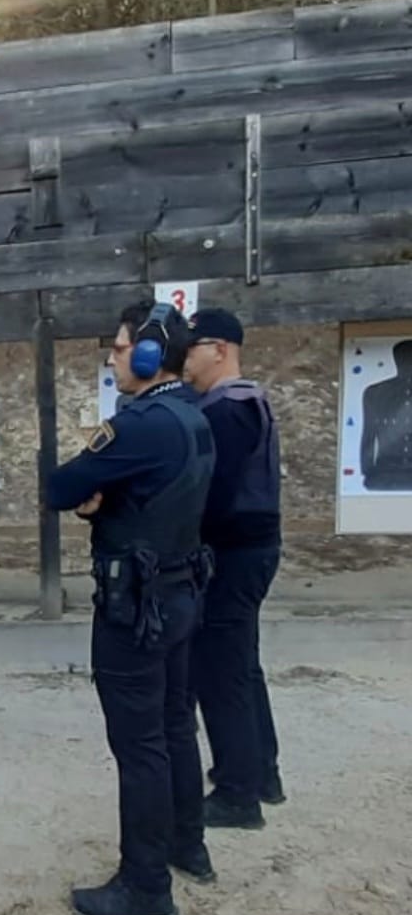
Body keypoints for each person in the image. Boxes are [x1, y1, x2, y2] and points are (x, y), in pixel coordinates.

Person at [45, 301, 216, 915]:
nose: (114, 357)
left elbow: (59, 486)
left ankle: (146, 887)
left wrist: (90, 500)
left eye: (119, 348)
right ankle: (186, 846)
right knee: (173, 726)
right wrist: (108, 507)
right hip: (178, 593)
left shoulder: (141, 423)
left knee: (140, 744)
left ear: (147, 355)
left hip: (135, 606)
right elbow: (156, 498)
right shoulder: (192, 416)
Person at [183, 309, 284, 828]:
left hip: (234, 553)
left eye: (193, 347)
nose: (185, 358)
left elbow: (213, 495)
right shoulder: (242, 401)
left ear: (219, 348)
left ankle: (237, 793)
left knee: (221, 672)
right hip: (249, 549)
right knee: (241, 665)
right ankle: (261, 772)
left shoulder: (227, 409)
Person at [360, 339, 412, 491]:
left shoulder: (374, 391)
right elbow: (368, 433)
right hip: (386, 470)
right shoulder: (374, 392)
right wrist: (367, 469)